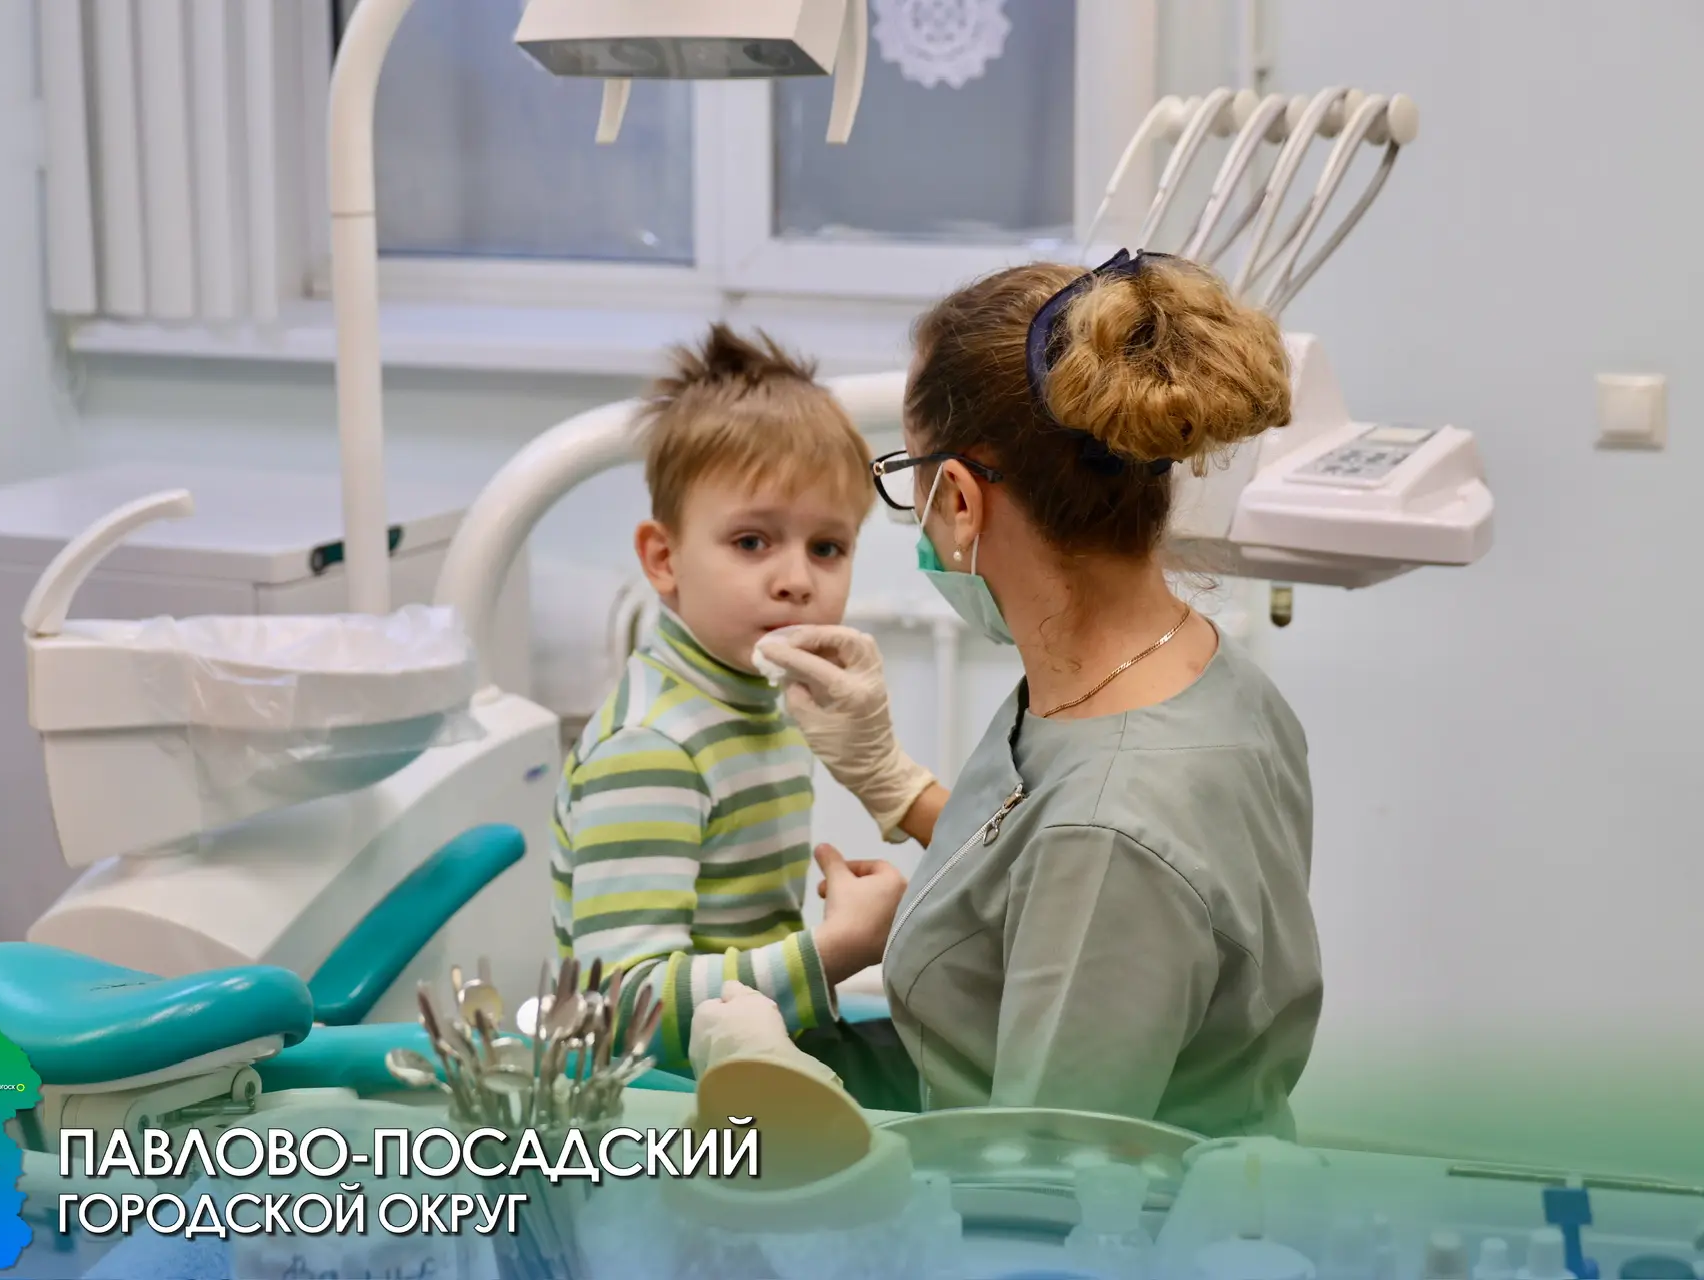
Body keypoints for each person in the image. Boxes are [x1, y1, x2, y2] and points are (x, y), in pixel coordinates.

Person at [755, 250, 1322, 1138]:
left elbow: (1039, 1183)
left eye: (907, 474)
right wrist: (893, 784)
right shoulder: (1185, 671)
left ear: (959, 500)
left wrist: (759, 1064)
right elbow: (1043, 859)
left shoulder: (1108, 837)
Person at [551, 322, 922, 1108]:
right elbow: (619, 1014)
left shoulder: (753, 693)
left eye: (827, 548)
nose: (796, 579)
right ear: (663, 559)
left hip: (756, 1051)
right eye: (753, 541)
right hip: (669, 1100)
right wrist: (834, 951)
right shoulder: (652, 746)